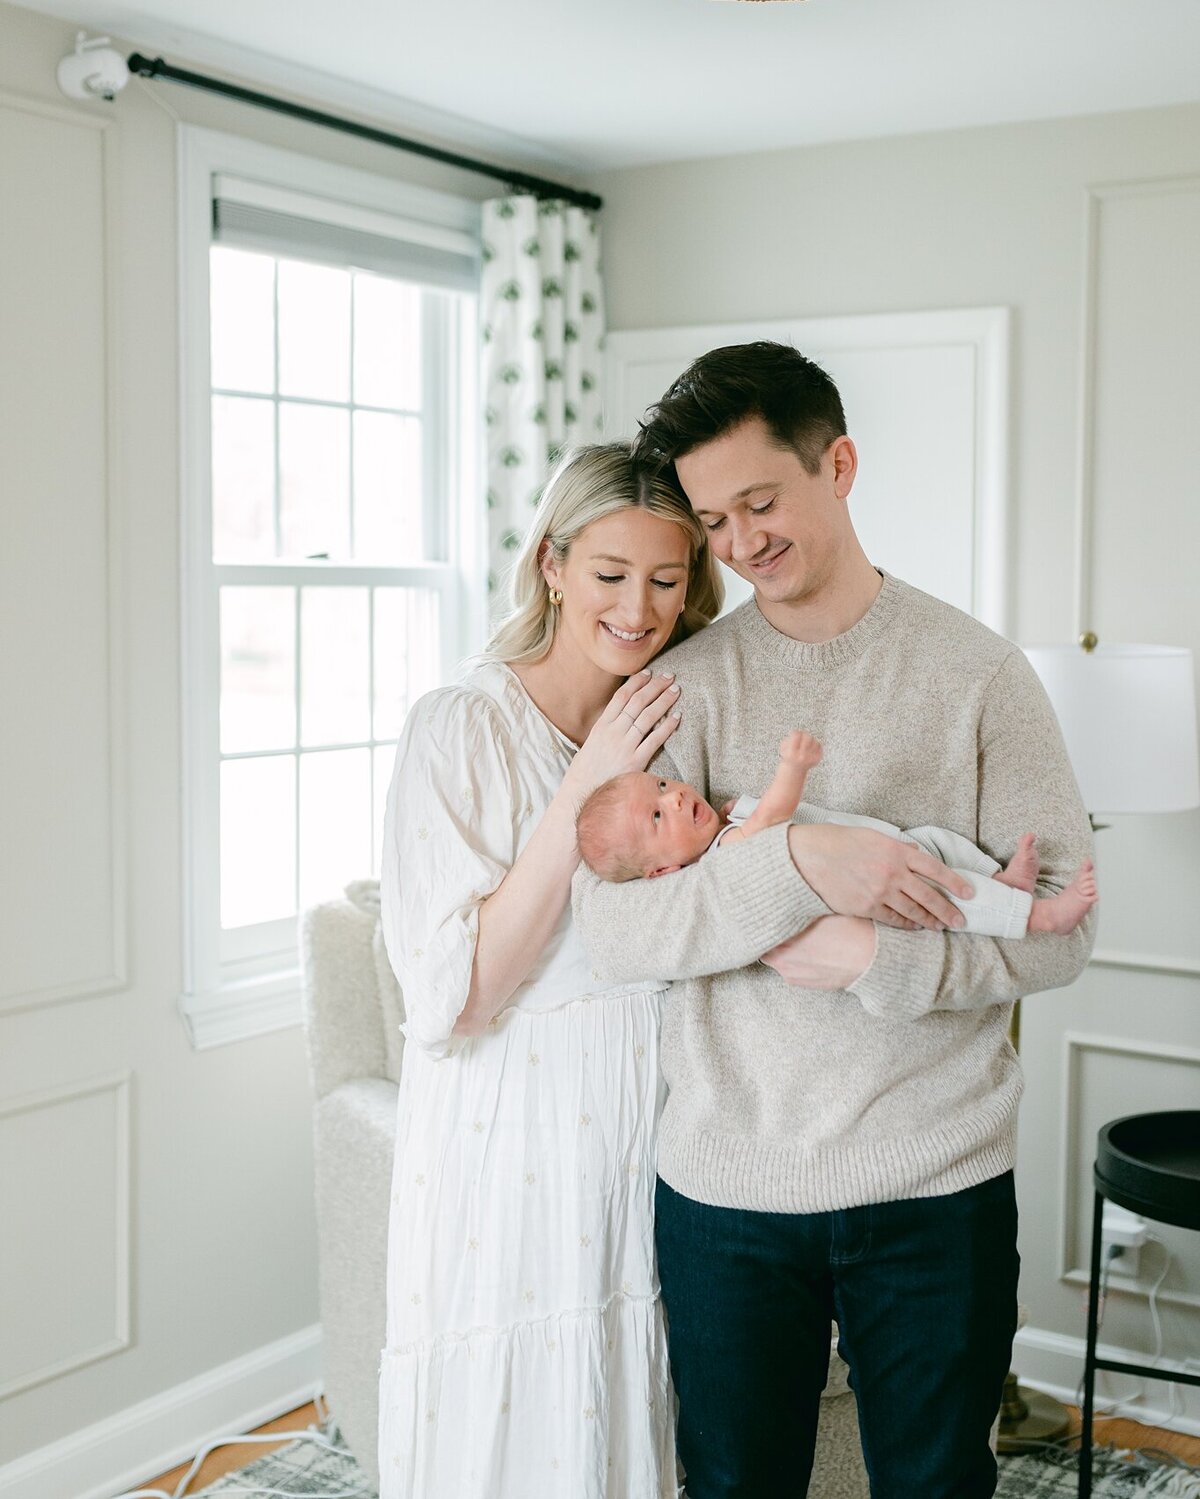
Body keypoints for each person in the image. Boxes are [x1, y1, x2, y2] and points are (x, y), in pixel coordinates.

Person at [572, 341, 1096, 1499]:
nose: (741, 543)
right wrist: (806, 860)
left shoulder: (980, 676)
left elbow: (1058, 935)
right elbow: (617, 936)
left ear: (840, 464)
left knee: (935, 1484)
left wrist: (876, 956)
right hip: (726, 1188)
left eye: (761, 502)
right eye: (713, 520)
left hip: (935, 1182)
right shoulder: (690, 684)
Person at [376, 442, 724, 1499]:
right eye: (611, 575)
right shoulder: (462, 725)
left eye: (667, 580)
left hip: (646, 1126)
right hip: (512, 1134)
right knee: (520, 1417)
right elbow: (460, 996)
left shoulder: (678, 712)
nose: (639, 607)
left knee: (625, 1409)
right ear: (552, 564)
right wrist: (583, 791)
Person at [576, 729, 1098, 941]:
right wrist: (791, 767)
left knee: (945, 846)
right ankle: (1040, 916)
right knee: (953, 899)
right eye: (657, 818)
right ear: (663, 871)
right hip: (886, 882)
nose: (673, 798)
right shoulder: (727, 857)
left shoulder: (726, 826)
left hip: (900, 842)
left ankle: (1001, 880)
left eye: (663, 784)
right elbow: (774, 818)